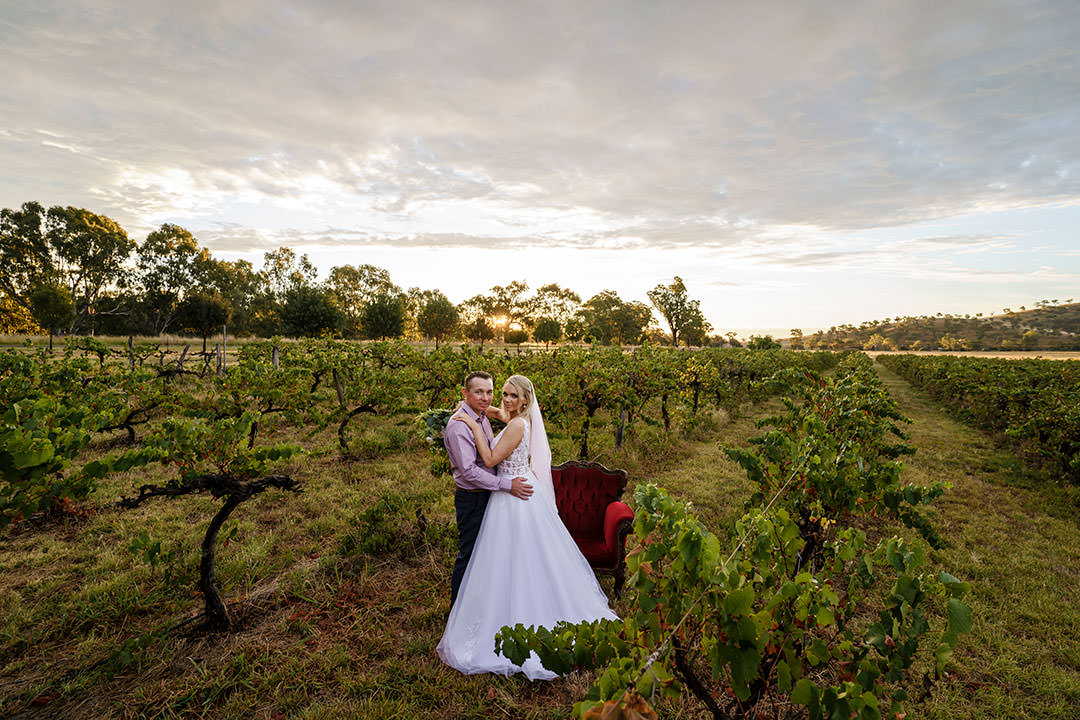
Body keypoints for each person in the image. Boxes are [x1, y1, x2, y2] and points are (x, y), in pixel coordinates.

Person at [437, 374, 618, 680]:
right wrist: (476, 410)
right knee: (506, 559)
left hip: (513, 495)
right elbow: (499, 414)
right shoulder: (514, 417)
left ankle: (517, 616)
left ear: (524, 400)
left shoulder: (519, 424)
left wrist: (471, 424)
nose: (503, 400)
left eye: (510, 395)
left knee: (517, 559)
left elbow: (491, 456)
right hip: (510, 492)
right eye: (502, 394)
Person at [443, 371, 534, 608]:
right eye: (478, 392)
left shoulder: (481, 415)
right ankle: (458, 609)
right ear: (465, 393)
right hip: (473, 497)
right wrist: (506, 485)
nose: (486, 398)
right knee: (470, 554)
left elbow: (500, 413)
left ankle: (492, 603)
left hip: (492, 494)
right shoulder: (460, 426)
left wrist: (477, 415)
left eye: (490, 392)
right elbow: (469, 472)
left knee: (493, 552)